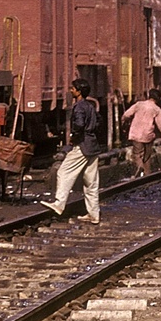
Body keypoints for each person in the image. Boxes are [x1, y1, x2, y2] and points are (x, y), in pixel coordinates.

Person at [41, 78, 102, 224]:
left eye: (73, 88)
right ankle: (94, 215)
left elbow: (79, 124)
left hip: (82, 146)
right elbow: (98, 121)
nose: (71, 90)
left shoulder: (79, 107)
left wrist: (74, 137)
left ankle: (59, 204)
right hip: (93, 146)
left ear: (79, 91)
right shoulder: (91, 106)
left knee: (64, 172)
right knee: (91, 183)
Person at [121, 89, 161, 177]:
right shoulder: (156, 109)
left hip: (136, 134)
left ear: (149, 96)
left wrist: (123, 120)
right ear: (158, 99)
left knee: (137, 155)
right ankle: (147, 174)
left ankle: (140, 167)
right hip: (148, 135)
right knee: (147, 156)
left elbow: (126, 115)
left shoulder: (139, 105)